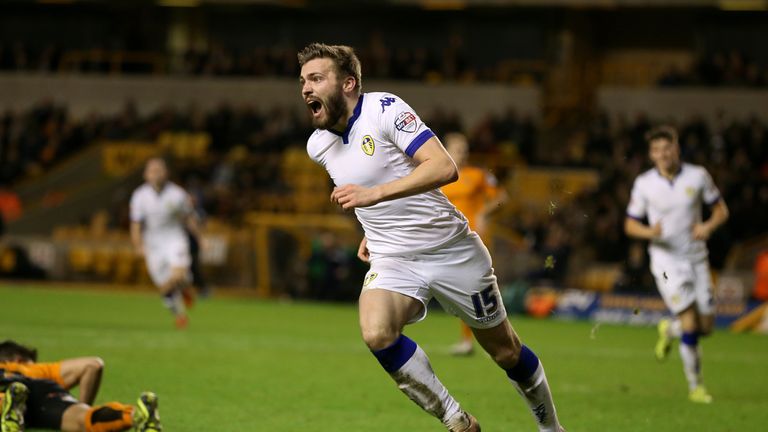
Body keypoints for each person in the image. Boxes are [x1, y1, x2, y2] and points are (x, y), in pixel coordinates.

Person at [299, 42, 564, 432]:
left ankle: (552, 428)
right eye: (303, 80)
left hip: (451, 250)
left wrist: (373, 197)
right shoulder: (318, 145)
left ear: (349, 83)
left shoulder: (384, 109)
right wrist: (372, 227)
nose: (306, 88)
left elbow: (443, 166)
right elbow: (366, 187)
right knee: (376, 332)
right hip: (394, 258)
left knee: (506, 351)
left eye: (317, 78)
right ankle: (456, 419)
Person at [625, 125, 729, 404]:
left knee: (706, 326)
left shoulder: (698, 176)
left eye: (667, 148)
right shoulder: (644, 183)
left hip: (697, 258)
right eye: (657, 149)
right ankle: (696, 387)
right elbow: (630, 224)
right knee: (691, 322)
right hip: (665, 261)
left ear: (677, 148)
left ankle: (669, 330)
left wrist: (707, 226)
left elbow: (721, 210)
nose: (663, 154)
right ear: (651, 154)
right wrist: (650, 233)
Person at [441, 132, 507, 356]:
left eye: (465, 149)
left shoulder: (478, 175)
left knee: (473, 290)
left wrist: (484, 214)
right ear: (446, 150)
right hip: (445, 240)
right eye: (458, 149)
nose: (463, 153)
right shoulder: (437, 175)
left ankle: (473, 340)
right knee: (461, 292)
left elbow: (501, 197)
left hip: (473, 240)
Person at [0, 341, 161, 432]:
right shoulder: (33, 370)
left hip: (8, 386)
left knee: (7, 395)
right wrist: (82, 405)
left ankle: (10, 409)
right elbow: (92, 365)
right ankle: (136, 415)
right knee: (84, 419)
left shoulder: (10, 369)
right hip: (43, 390)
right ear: (19, 359)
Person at [130, 158, 202, 329]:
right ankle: (180, 315)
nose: (155, 173)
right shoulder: (139, 196)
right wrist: (137, 245)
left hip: (175, 239)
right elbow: (136, 223)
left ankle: (184, 287)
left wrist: (200, 238)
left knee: (177, 276)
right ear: (145, 175)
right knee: (164, 287)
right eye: (152, 170)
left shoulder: (178, 194)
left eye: (159, 170)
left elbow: (189, 218)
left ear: (166, 173)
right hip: (153, 244)